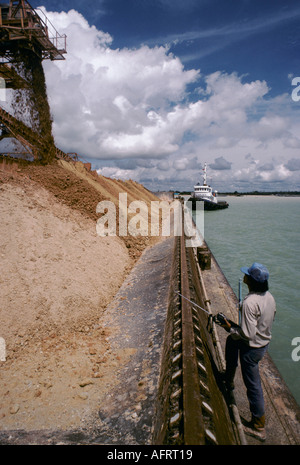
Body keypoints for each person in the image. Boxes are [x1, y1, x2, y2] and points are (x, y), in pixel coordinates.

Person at [221, 262, 276, 442]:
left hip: (251, 348)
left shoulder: (249, 303)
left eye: (246, 275)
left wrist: (230, 327)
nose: (243, 276)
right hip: (263, 343)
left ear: (251, 281)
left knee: (253, 385)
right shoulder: (269, 297)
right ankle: (228, 379)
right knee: (231, 342)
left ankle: (259, 426)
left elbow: (247, 334)